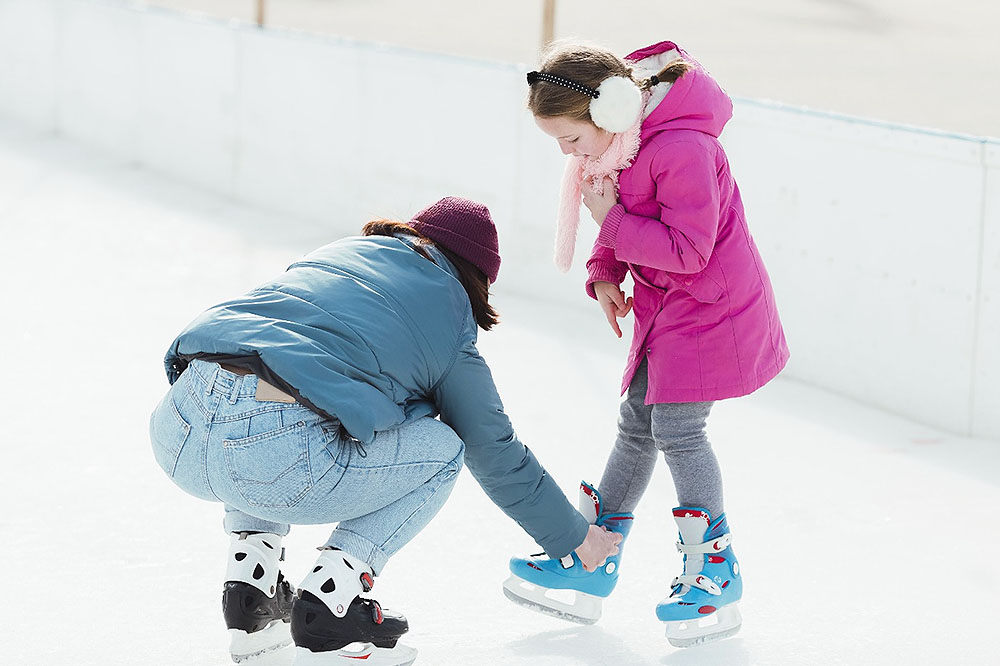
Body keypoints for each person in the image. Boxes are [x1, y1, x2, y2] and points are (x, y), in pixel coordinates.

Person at [149, 196, 622, 666]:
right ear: (476, 279)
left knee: (273, 396)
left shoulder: (343, 251)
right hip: (271, 449)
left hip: (179, 424)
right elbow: (493, 450)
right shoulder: (448, 312)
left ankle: (252, 594)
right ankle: (330, 603)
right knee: (440, 449)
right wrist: (574, 538)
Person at [502, 41, 789, 647]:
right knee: (636, 425)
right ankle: (591, 555)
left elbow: (688, 249)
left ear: (608, 111)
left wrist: (608, 226)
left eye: (569, 139)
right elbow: (626, 216)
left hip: (712, 309)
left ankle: (716, 568)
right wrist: (603, 270)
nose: (566, 154)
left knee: (677, 431)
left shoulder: (683, 147)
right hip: (668, 308)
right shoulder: (622, 146)